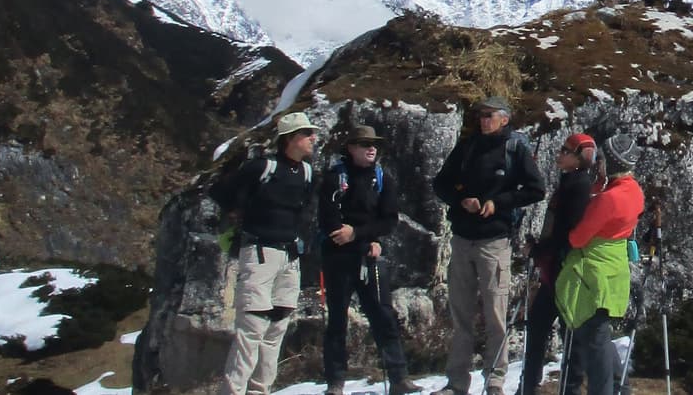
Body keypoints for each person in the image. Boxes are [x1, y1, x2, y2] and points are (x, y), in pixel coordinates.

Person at [432, 95, 547, 395]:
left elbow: (537, 189)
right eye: (480, 115)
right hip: (462, 239)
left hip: (494, 242)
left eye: (489, 115)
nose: (483, 120)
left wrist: (498, 203)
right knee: (461, 314)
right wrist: (462, 200)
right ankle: (457, 382)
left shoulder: (514, 149)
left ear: (504, 119)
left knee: (496, 315)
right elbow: (440, 183)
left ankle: (495, 379)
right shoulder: (467, 147)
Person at [210, 111, 320, 395]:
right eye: (308, 134)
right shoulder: (262, 167)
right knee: (252, 329)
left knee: (276, 330)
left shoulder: (306, 172)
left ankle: (260, 390)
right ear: (292, 138)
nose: (313, 139)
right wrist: (236, 212)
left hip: (289, 257)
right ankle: (232, 391)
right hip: (259, 253)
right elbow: (220, 191)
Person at [318, 124, 418, 395]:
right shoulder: (333, 178)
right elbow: (326, 217)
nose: (371, 148)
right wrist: (345, 235)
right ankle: (335, 382)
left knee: (383, 315)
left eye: (374, 144)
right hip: (337, 257)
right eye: (364, 144)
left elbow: (389, 219)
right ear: (351, 148)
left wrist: (360, 235)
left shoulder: (383, 178)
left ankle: (399, 378)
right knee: (337, 319)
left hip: (368, 255)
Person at [555, 133, 645, 395]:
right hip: (614, 271)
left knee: (594, 343)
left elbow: (578, 236)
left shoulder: (608, 199)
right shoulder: (634, 191)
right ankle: (621, 388)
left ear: (611, 163)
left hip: (592, 274)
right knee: (600, 338)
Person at [520, 133, 598, 394]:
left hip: (563, 271)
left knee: (565, 334)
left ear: (578, 158)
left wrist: (537, 250)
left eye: (566, 150)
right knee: (543, 327)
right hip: (554, 270)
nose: (559, 153)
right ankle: (529, 385)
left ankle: (564, 388)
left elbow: (566, 233)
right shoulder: (572, 182)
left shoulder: (578, 186)